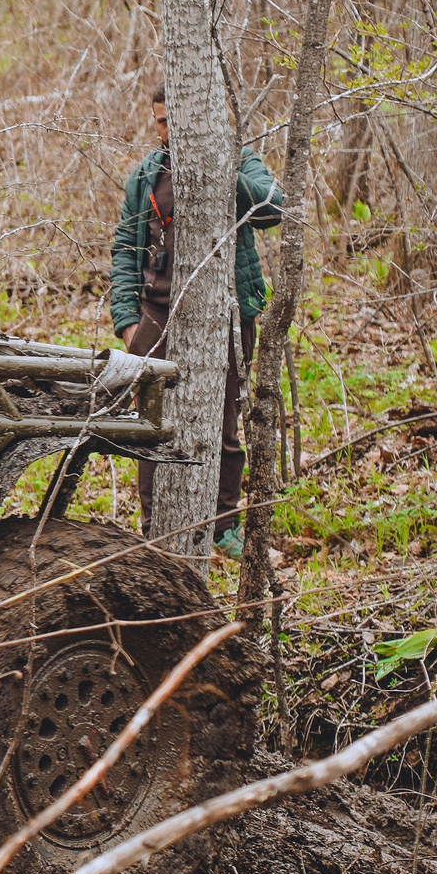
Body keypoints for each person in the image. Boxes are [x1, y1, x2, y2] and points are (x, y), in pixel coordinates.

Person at [108, 89, 283, 554]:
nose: (164, 131)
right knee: (150, 425)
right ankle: (154, 527)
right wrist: (127, 320)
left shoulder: (239, 161)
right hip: (156, 313)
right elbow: (126, 247)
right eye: (159, 122)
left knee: (224, 420)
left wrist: (220, 165)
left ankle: (225, 527)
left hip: (224, 314)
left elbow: (273, 208)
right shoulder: (146, 175)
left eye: (172, 122)